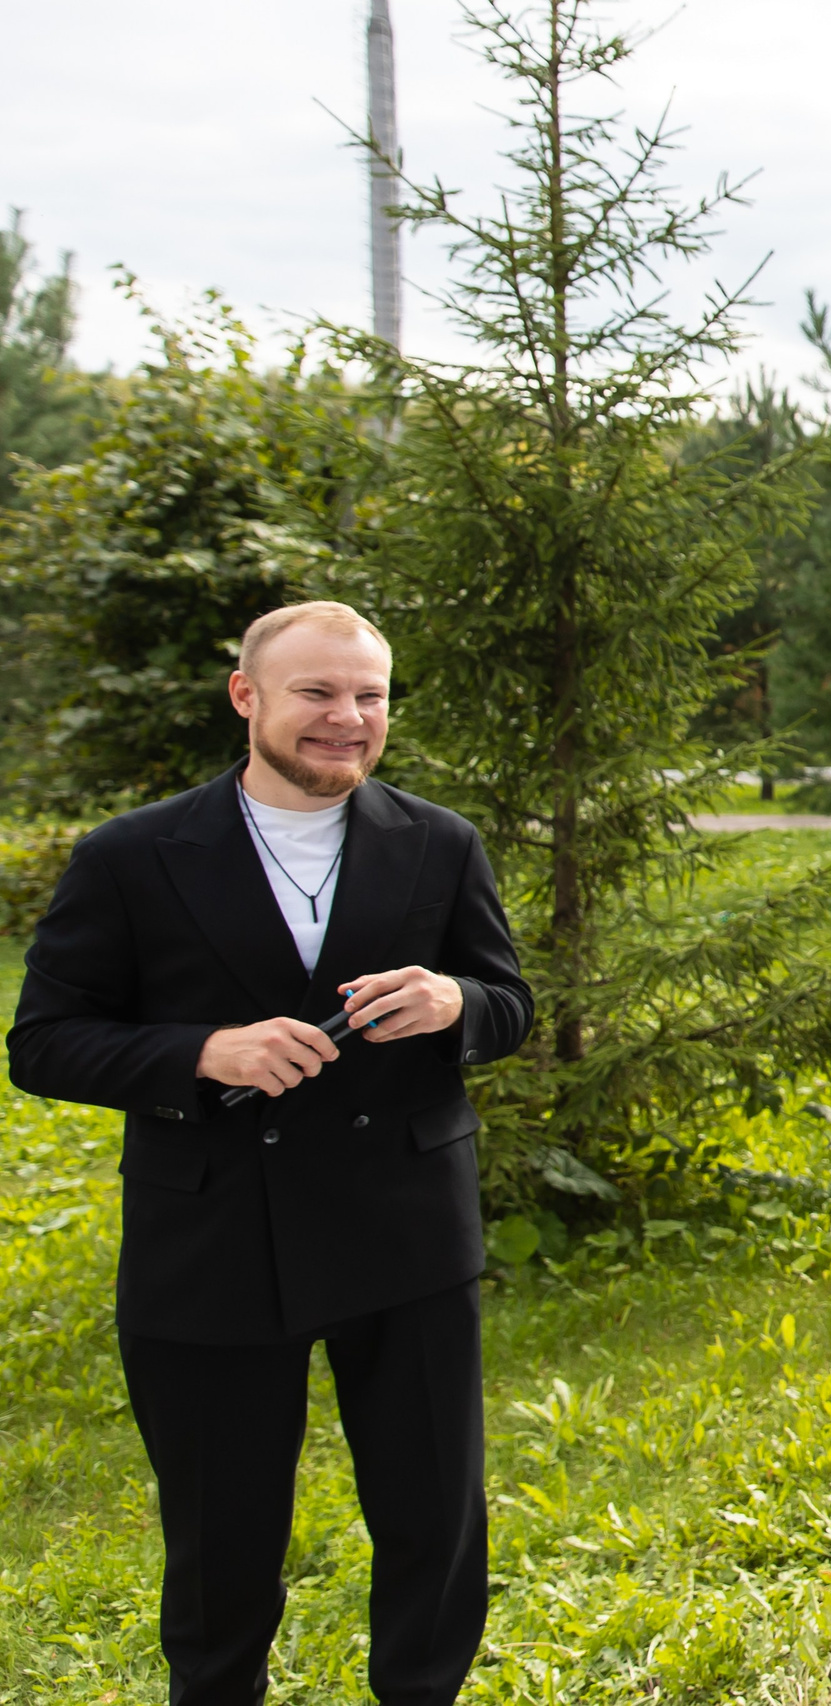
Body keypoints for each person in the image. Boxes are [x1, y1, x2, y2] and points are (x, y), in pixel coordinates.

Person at [6, 601, 532, 1706]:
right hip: (210, 1241)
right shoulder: (131, 854)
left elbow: (511, 1003)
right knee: (221, 1534)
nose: (348, 718)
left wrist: (455, 1001)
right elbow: (44, 1042)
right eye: (318, 692)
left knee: (434, 1517)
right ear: (247, 697)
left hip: (407, 1229)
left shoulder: (440, 842)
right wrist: (205, 1051)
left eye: (370, 695)